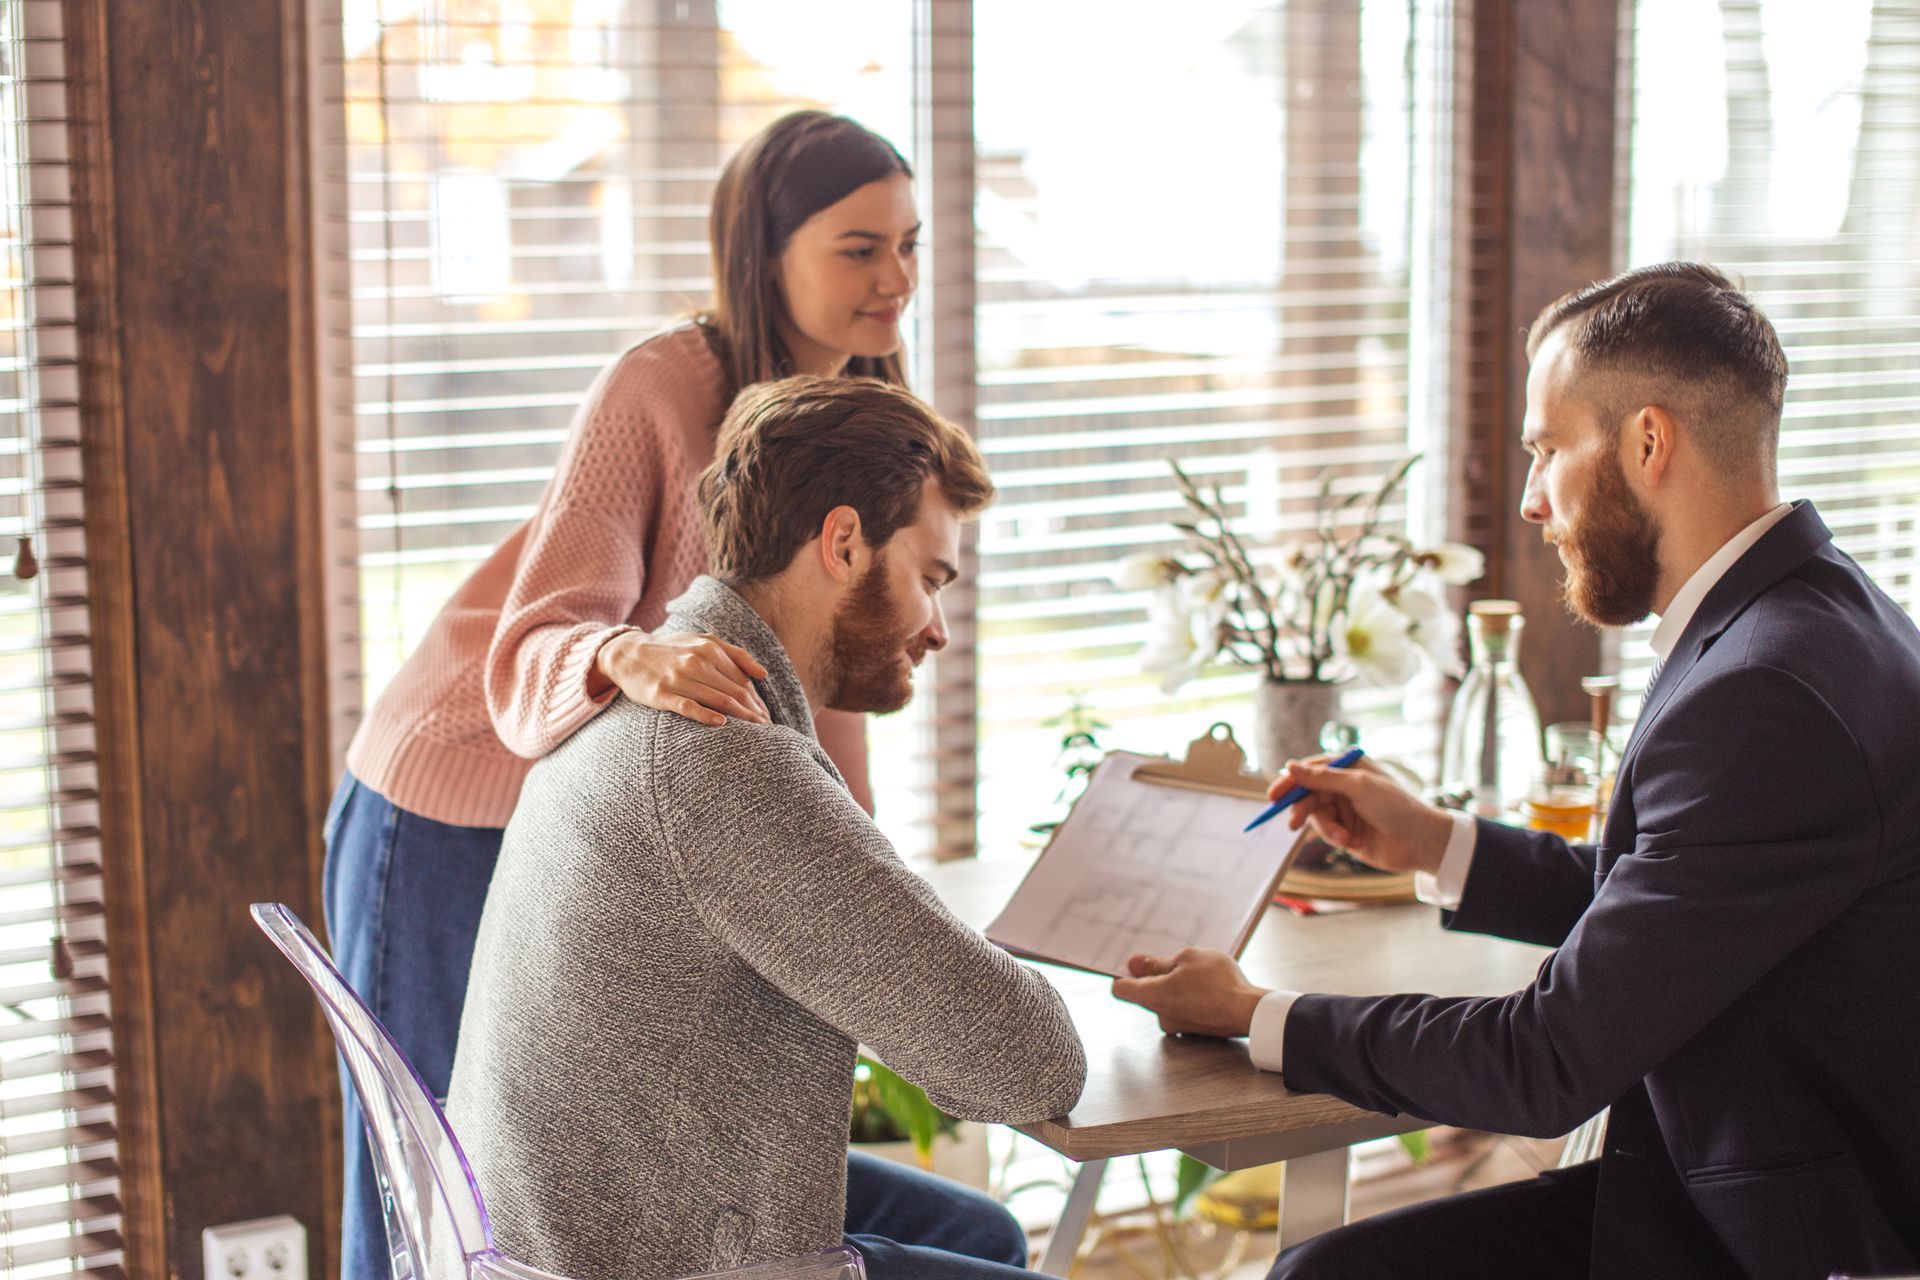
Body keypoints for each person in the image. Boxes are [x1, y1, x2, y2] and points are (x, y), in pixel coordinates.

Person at [1112, 263, 1920, 1280]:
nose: (1534, 500)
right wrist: (1436, 842)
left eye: (1546, 449)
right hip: (1706, 1184)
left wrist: (1255, 1012)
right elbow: (1671, 904)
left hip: (1768, 1242)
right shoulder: (1806, 618)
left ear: (1648, 441)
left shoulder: (1767, 692)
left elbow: (1545, 1059)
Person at [323, 111, 1011, 1279]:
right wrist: (625, 657)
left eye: (911, 244)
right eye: (859, 248)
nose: (895, 277)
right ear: (766, 247)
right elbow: (544, 628)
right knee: (436, 1197)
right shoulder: (660, 383)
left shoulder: (855, 418)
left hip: (616, 812)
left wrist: (855, 879)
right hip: (460, 790)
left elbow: (826, 670)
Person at [446, 375, 1087, 1279]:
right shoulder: (723, 757)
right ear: (842, 542)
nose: (938, 628)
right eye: (930, 579)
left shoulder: (644, 695)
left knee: (979, 1235)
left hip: (565, 1213)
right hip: (640, 1255)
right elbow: (1029, 1065)